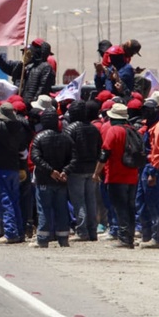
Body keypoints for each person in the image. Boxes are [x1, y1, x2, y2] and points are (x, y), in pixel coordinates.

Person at [93, 104, 138, 248]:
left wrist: (96, 172)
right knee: (130, 207)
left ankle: (124, 239)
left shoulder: (114, 131)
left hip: (116, 176)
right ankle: (129, 237)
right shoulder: (133, 130)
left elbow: (104, 153)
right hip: (132, 175)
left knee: (120, 208)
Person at [30, 109, 74, 248]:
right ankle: (63, 238)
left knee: (44, 209)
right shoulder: (66, 138)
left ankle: (43, 238)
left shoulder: (39, 137)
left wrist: (50, 171)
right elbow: (73, 158)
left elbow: (35, 157)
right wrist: (64, 171)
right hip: (61, 180)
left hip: (44, 179)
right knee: (61, 208)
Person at [0, 102, 28, 244]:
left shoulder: (1, 127)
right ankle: (19, 231)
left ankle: (10, 233)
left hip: (1, 167)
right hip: (14, 167)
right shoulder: (20, 128)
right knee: (14, 200)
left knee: (5, 201)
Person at [63, 100, 103, 242]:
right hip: (92, 169)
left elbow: (66, 151)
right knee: (91, 200)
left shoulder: (70, 129)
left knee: (79, 201)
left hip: (76, 170)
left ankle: (82, 231)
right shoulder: (93, 128)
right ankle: (93, 232)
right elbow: (99, 149)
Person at [138, 99, 159, 248]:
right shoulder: (151, 126)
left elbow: (158, 152)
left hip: (153, 166)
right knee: (142, 200)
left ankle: (157, 238)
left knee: (154, 202)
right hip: (148, 165)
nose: (145, 113)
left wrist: (153, 173)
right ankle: (147, 235)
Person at [0, 38, 55, 104]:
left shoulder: (45, 67)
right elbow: (5, 66)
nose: (25, 55)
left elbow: (42, 88)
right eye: (24, 52)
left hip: (33, 105)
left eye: (28, 52)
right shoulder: (20, 65)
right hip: (18, 103)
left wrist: (32, 103)